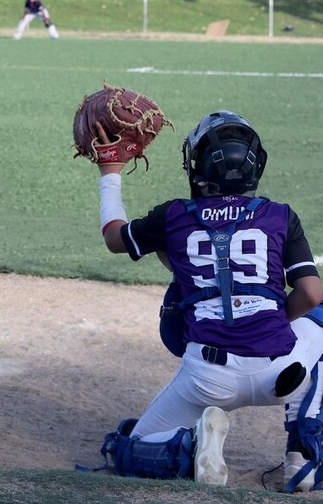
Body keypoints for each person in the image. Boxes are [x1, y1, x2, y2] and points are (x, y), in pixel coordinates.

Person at [89, 110, 323, 491]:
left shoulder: (175, 215)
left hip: (208, 377)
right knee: (319, 321)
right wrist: (275, 319)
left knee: (130, 449)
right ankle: (302, 450)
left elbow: (116, 238)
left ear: (198, 166)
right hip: (279, 369)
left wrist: (110, 172)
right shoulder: (280, 215)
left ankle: (193, 444)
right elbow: (312, 293)